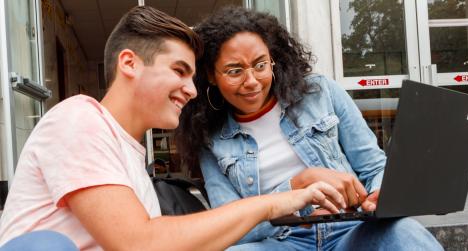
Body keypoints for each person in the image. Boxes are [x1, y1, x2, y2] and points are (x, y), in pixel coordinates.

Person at [0, 6, 346, 251]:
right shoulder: (78, 119)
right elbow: (139, 244)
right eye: (179, 71)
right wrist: (275, 202)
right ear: (130, 63)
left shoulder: (128, 158)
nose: (192, 89)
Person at [175, 6, 444, 250]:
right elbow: (229, 228)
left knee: (404, 232)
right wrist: (297, 187)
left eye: (260, 65)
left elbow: (374, 167)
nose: (252, 81)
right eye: (235, 71)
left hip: (350, 231)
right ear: (211, 75)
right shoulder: (210, 137)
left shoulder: (320, 92)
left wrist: (380, 193)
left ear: (273, 60)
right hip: (280, 242)